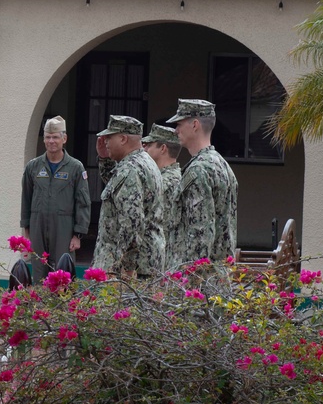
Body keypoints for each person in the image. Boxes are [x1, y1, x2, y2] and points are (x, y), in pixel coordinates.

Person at [167, 99, 239, 266]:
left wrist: (191, 280)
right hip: (218, 273)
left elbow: (199, 231)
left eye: (179, 123)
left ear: (195, 125)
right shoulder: (223, 165)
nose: (176, 130)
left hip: (198, 280)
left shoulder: (198, 170)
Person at [91, 115, 165, 278]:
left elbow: (132, 223)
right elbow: (117, 190)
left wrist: (126, 267)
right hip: (145, 263)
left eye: (109, 137)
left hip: (128, 270)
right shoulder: (143, 161)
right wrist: (105, 159)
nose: (106, 142)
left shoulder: (130, 170)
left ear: (123, 138)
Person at [20, 116, 90, 283]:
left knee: (63, 269)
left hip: (64, 226)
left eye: (55, 137)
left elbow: (83, 202)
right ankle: (40, 306)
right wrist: (27, 232)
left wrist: (77, 235)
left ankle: (63, 307)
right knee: (38, 268)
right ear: (44, 139)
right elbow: (26, 198)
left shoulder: (75, 167)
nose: (51, 141)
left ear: (64, 139)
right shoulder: (33, 167)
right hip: (38, 224)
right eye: (48, 137)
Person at [141, 124, 183, 252]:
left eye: (149, 144)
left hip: (158, 255)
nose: (144, 148)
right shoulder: (159, 177)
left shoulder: (168, 182)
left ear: (163, 148)